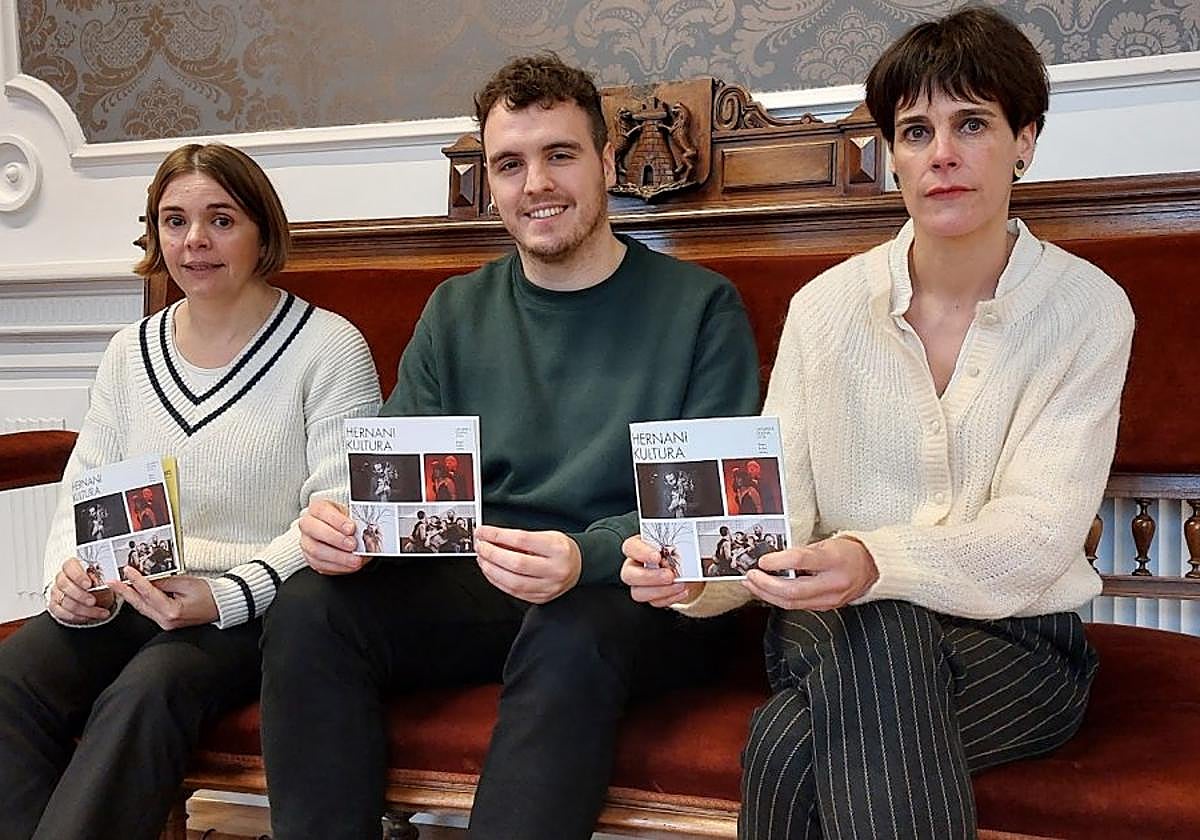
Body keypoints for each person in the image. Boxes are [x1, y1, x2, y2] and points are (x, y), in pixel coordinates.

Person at [623, 8, 1134, 839]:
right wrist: (694, 577)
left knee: (789, 746)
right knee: (881, 623)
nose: (942, 154)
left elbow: (1041, 536)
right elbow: (780, 515)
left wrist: (875, 560)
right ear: (892, 154)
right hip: (832, 625)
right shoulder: (824, 309)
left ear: (1026, 139)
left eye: (972, 124)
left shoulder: (1086, 310)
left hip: (1018, 645)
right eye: (915, 131)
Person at [259, 53, 760, 840]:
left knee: (571, 626)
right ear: (491, 183)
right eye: (510, 164)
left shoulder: (701, 307)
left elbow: (711, 516)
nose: (537, 185)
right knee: (309, 610)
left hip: (636, 595)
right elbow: (396, 487)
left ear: (605, 164)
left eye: (560, 155)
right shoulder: (456, 310)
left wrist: (585, 557)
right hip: (483, 579)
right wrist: (347, 524)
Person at [0, 142, 381, 840]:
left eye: (221, 220)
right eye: (174, 221)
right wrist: (70, 580)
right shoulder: (129, 352)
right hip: (131, 595)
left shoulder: (328, 348)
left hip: (254, 612)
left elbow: (338, 516)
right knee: (9, 683)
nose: (194, 241)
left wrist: (224, 595)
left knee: (145, 693)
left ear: (262, 231)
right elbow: (86, 484)